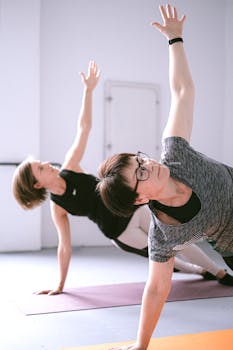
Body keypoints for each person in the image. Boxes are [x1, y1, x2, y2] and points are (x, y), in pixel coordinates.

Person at [12, 61, 232, 297]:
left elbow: (83, 128)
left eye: (41, 163)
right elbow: (64, 247)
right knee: (166, 260)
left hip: (133, 208)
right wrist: (60, 285)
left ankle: (218, 272)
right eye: (40, 168)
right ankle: (198, 272)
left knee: (178, 242)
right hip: (118, 231)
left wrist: (88, 91)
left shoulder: (70, 166)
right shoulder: (58, 208)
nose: (46, 164)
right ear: (37, 184)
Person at [97, 4, 233, 350]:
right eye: (141, 172)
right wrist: (141, 346)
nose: (149, 165)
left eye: (140, 158)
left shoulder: (175, 153)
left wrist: (175, 39)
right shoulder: (163, 234)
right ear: (140, 199)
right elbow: (156, 289)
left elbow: (183, 92)